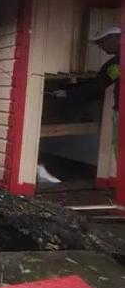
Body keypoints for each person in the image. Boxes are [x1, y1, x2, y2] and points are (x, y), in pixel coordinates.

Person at [43, 27, 120, 184]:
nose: (101, 48)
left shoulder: (117, 64)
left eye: (101, 43)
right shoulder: (115, 64)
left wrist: (68, 94)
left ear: (115, 39)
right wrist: (68, 90)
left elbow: (98, 86)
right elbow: (97, 83)